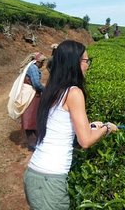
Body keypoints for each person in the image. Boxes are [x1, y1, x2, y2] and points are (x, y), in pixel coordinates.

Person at [23, 40, 118, 209]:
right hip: (50, 180)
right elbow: (85, 141)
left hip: (33, 174)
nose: (88, 65)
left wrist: (91, 126)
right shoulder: (74, 92)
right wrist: (107, 128)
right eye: (86, 61)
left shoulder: (53, 89)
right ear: (74, 63)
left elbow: (59, 128)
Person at [8, 52, 46, 151]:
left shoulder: (31, 67)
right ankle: (33, 143)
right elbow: (36, 84)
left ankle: (34, 141)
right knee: (31, 118)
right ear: (37, 61)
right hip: (31, 96)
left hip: (30, 95)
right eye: (42, 62)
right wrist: (46, 89)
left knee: (31, 118)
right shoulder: (33, 68)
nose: (43, 64)